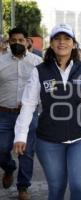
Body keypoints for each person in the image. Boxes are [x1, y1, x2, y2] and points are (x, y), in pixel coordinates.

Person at [13, 23, 81, 200]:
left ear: (74, 44)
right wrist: (20, 135)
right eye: (57, 39)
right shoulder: (40, 71)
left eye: (67, 38)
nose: (62, 42)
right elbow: (29, 104)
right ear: (51, 44)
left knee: (78, 186)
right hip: (48, 140)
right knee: (57, 187)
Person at [0, 27, 42, 200]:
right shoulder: (0, 62)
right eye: (13, 41)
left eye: (20, 40)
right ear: (8, 42)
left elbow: (45, 89)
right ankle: (9, 167)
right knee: (1, 148)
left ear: (27, 42)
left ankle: (23, 187)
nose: (17, 43)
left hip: (29, 115)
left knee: (27, 152)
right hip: (4, 114)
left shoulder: (38, 62)